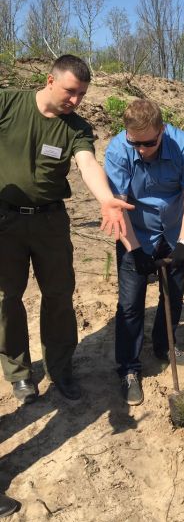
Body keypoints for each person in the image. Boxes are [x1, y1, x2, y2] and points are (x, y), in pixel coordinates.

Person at [0, 55, 132, 403]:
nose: (75, 101)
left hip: (50, 221)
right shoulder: (7, 103)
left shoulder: (76, 127)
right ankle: (19, 374)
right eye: (71, 92)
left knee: (58, 296)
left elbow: (87, 163)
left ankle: (61, 369)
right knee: (7, 299)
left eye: (82, 95)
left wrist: (106, 199)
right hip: (5, 220)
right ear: (49, 80)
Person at [104, 99, 184, 405]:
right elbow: (117, 208)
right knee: (130, 304)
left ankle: (164, 346)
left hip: (173, 231)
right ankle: (129, 369)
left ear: (162, 130)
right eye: (136, 143)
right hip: (134, 231)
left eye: (148, 143)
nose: (142, 150)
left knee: (172, 296)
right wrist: (135, 251)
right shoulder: (119, 150)